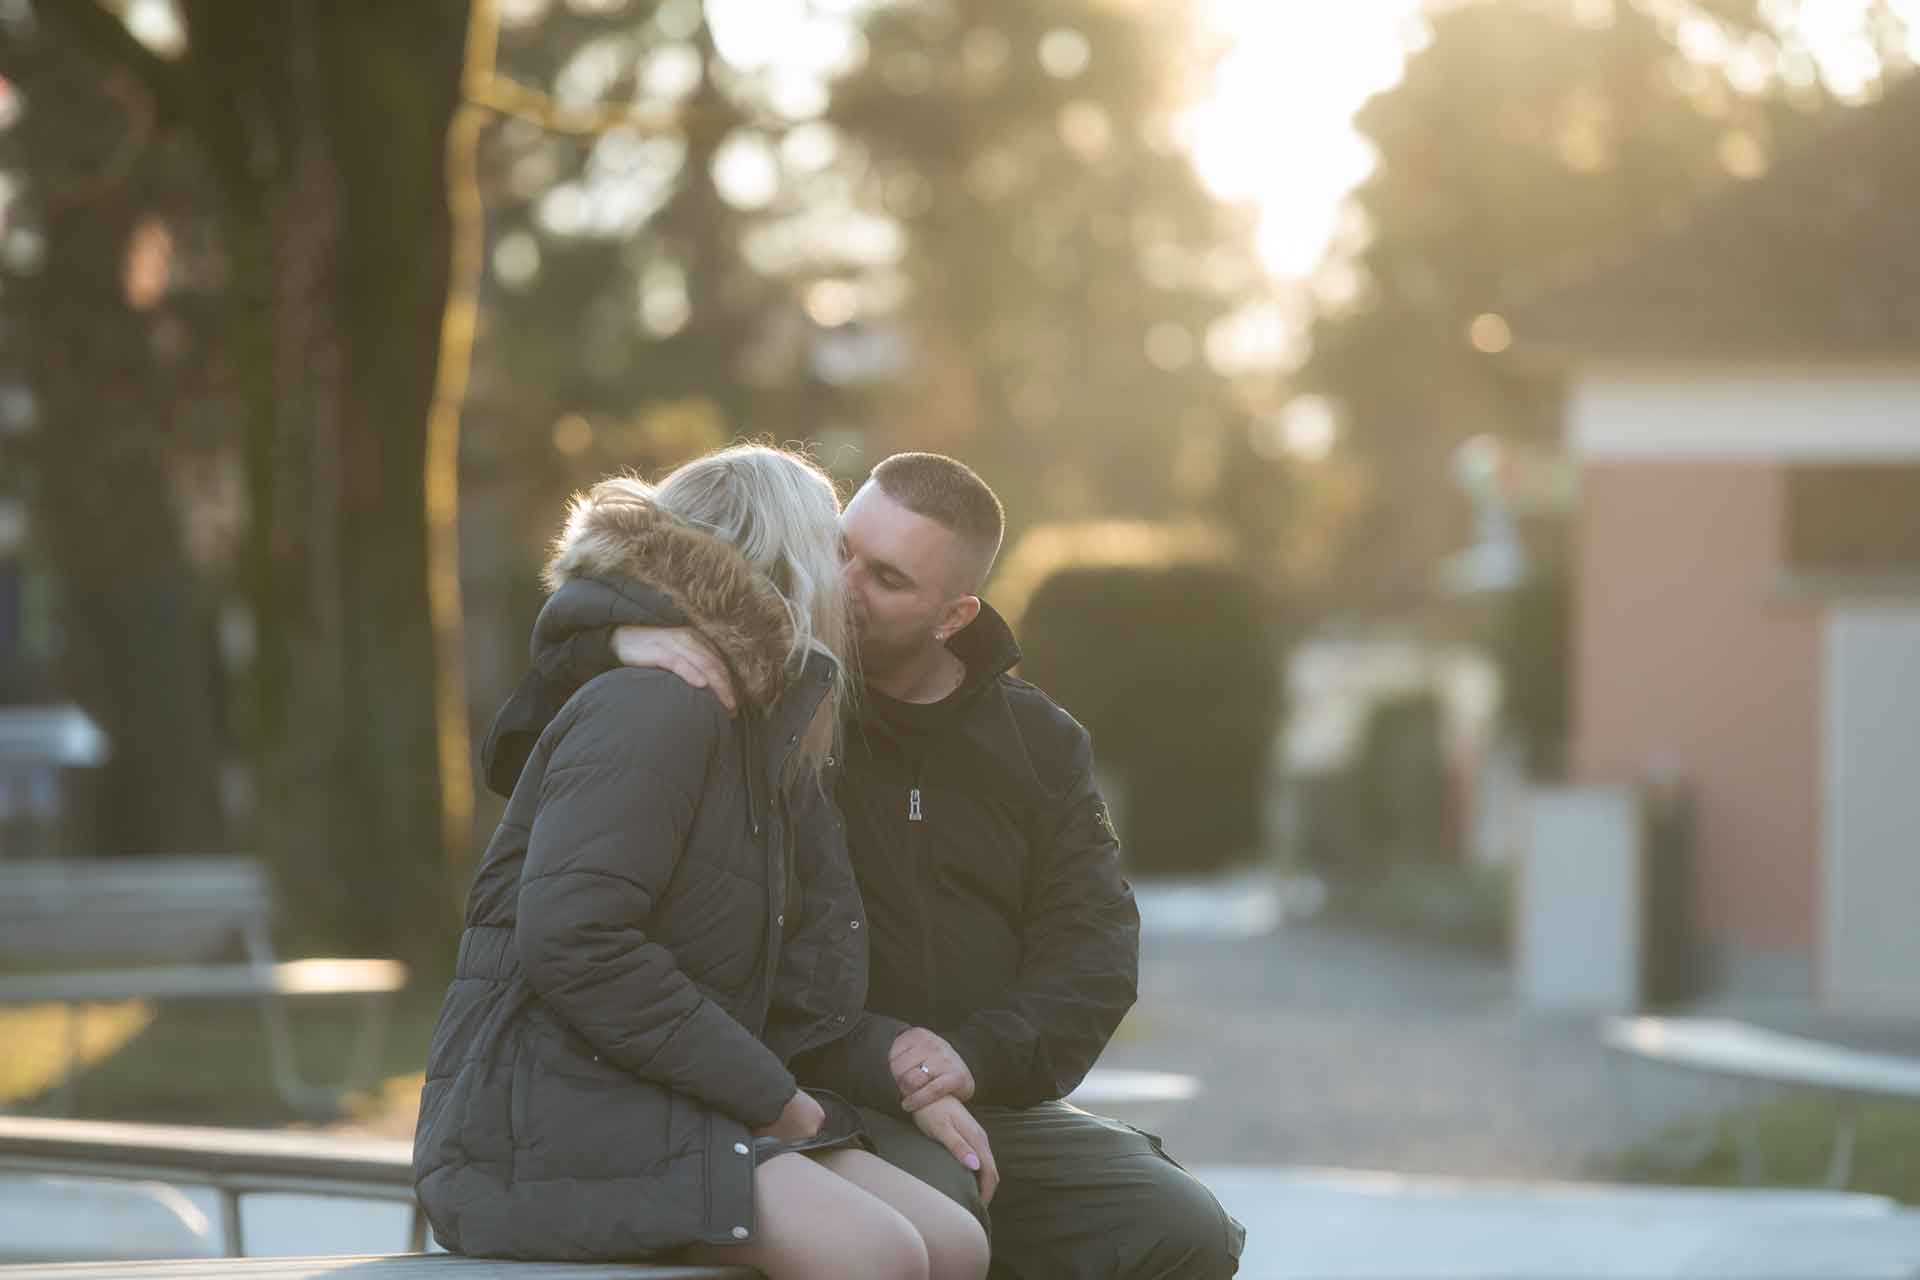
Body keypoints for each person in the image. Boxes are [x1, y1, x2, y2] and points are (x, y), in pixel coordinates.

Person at [484, 452, 1245, 1278]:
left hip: (976, 1092)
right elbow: (541, 746)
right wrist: (618, 634)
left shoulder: (1040, 744)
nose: (843, 583)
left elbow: (1094, 952)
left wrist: (971, 1058)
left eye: (885, 577)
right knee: (945, 1214)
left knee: (1185, 1228)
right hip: (810, 1079)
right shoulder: (774, 693)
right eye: (840, 549)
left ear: (953, 616)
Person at [414, 445, 989, 1280]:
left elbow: (792, 993)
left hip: (674, 1103)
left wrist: (906, 1076)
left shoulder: (760, 735)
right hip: (541, 1125)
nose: (848, 587)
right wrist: (777, 1103)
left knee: (956, 1244)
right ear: (788, 565)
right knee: (880, 1258)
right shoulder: (656, 703)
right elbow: (578, 940)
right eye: (834, 556)